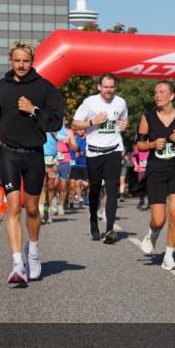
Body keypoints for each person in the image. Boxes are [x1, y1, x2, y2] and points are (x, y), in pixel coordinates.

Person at [0, 40, 64, 285]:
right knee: (14, 207)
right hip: (8, 153)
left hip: (34, 154)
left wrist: (34, 109)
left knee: (32, 209)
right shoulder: (1, 86)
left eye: (25, 61)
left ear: (32, 61)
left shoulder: (45, 88)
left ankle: (33, 251)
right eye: (16, 60)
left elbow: (56, 121)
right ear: (11, 60)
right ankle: (17, 263)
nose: (20, 65)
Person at [136, 81, 175, 270]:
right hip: (156, 171)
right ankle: (153, 232)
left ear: (172, 96)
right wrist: (152, 144)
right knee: (159, 220)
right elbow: (139, 145)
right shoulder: (148, 118)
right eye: (155, 92)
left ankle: (169, 256)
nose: (157, 95)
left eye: (162, 92)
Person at [72, 73, 129, 244]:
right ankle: (93, 220)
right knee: (95, 188)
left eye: (111, 87)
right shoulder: (89, 102)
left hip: (114, 150)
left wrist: (125, 124)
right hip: (94, 152)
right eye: (105, 87)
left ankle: (110, 230)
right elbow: (75, 124)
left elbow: (124, 119)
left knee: (111, 189)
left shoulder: (121, 102)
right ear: (99, 87)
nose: (109, 90)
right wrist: (92, 122)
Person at [40, 129, 58, 224]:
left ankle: (48, 210)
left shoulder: (55, 126)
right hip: (39, 157)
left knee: (50, 187)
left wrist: (54, 132)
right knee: (42, 186)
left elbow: (64, 139)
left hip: (52, 159)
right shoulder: (37, 124)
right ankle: (41, 213)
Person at [70, 128, 89, 208]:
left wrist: (80, 154)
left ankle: (85, 196)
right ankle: (80, 200)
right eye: (79, 130)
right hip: (75, 165)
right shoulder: (75, 139)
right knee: (76, 184)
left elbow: (82, 152)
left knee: (86, 184)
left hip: (86, 164)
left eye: (82, 130)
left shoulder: (88, 139)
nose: (80, 131)